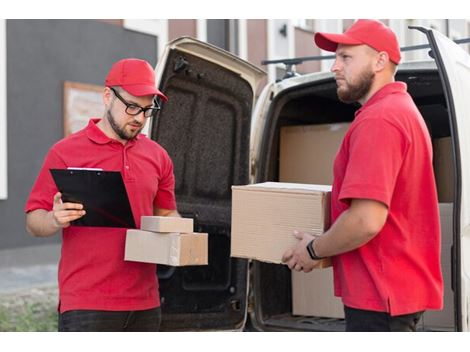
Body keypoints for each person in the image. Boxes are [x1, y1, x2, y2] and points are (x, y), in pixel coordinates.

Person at [282, 19, 443, 332]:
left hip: (379, 297)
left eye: (346, 57)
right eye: (336, 57)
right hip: (393, 294)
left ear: (380, 60)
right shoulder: (400, 110)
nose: (334, 67)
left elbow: (366, 220)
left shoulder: (380, 120)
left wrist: (313, 249)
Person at [25, 58, 179, 332]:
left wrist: (179, 231)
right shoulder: (65, 152)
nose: (139, 118)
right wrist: (54, 218)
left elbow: (167, 213)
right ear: (108, 96)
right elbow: (33, 221)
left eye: (147, 109)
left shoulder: (159, 156)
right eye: (131, 106)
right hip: (86, 303)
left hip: (146, 302)